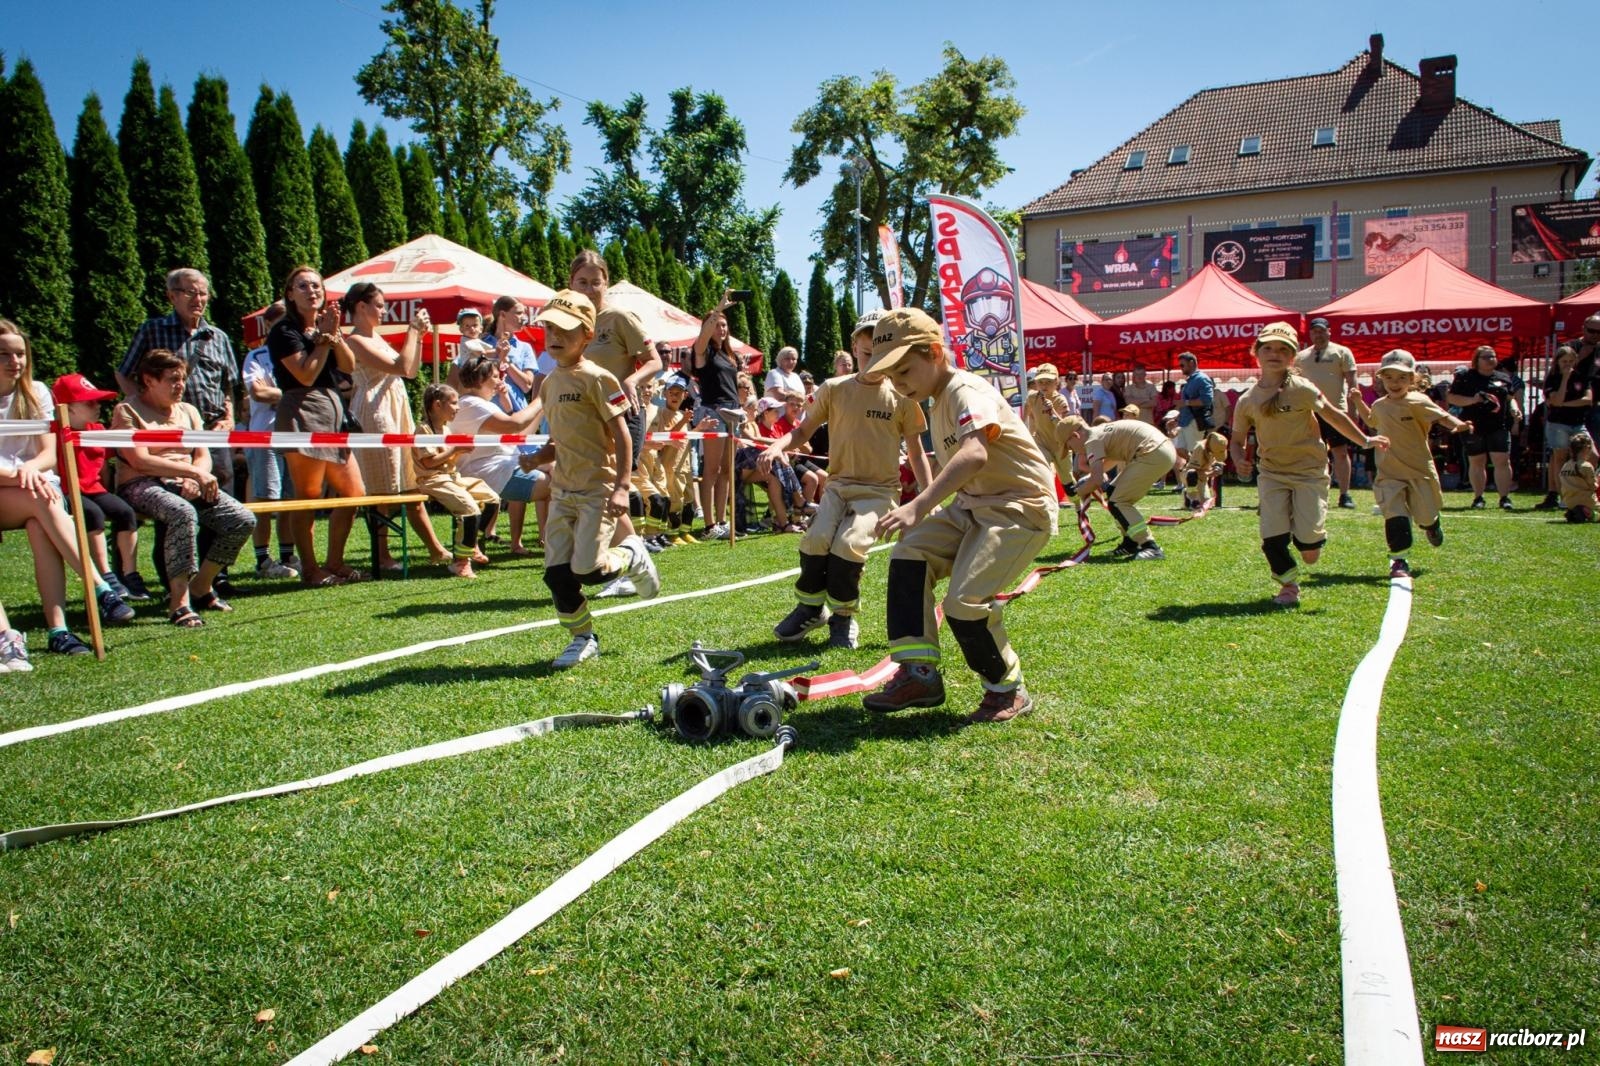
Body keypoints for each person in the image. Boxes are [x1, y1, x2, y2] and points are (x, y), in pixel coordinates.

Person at [861, 308, 1058, 724]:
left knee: (964, 603)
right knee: (909, 555)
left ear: (935, 352)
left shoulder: (967, 390)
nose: (898, 384)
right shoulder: (933, 399)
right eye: (892, 377)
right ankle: (920, 675)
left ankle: (1007, 690)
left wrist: (918, 504)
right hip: (973, 506)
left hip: (1018, 509)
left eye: (905, 372)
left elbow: (974, 453)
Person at [762, 321, 931, 649]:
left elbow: (916, 451)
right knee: (816, 539)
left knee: (849, 543)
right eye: (868, 353)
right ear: (854, 349)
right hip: (838, 487)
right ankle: (811, 608)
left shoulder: (901, 394)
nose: (875, 360)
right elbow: (803, 431)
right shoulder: (834, 388)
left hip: (879, 492)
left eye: (882, 353)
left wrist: (929, 495)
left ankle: (843, 618)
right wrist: (777, 445)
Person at [529, 291, 660, 669]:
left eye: (565, 330)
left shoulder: (599, 379)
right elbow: (566, 439)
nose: (554, 336)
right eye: (549, 327)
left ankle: (632, 554)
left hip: (596, 491)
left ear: (587, 335)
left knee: (587, 570)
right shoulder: (549, 383)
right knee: (556, 576)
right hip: (562, 492)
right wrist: (540, 456)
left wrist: (621, 486)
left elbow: (620, 436)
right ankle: (583, 638)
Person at [1229, 322, 1388, 607]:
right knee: (1272, 538)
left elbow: (1334, 415)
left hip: (1310, 473)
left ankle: (1306, 535)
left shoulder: (1302, 388)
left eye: (1282, 349)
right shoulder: (1247, 399)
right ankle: (1288, 586)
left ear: (1292, 357)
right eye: (1267, 348)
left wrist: (1364, 439)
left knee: (1309, 550)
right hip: (1272, 474)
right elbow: (1237, 440)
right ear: (1256, 352)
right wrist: (1240, 460)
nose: (1274, 353)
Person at [0, 318, 133, 652]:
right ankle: (99, 586)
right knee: (41, 501)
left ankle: (58, 631)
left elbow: (48, 455)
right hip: (15, 491)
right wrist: (22, 475)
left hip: (36, 488)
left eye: (20, 354)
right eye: (4, 355)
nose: (15, 362)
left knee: (40, 519)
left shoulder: (37, 393)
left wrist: (30, 468)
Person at [113, 348, 256, 626]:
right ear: (149, 380)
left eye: (182, 379)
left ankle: (201, 586)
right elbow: (139, 460)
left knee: (242, 519)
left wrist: (194, 476)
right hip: (141, 483)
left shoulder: (188, 411)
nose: (180, 386)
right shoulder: (127, 410)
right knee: (182, 513)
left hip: (186, 481)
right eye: (172, 379)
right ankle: (178, 603)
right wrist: (190, 472)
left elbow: (202, 455)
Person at [268, 266, 369, 586]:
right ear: (290, 294)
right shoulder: (284, 331)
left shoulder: (327, 326)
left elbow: (349, 367)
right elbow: (306, 375)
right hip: (301, 412)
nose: (312, 291)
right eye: (303, 286)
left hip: (332, 413)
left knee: (354, 494)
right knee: (309, 495)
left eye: (316, 286)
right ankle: (310, 569)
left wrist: (334, 336)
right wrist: (323, 339)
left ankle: (334, 561)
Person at [342, 282, 451, 570]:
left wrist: (419, 336)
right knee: (383, 488)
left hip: (395, 409)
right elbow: (401, 367)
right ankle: (383, 554)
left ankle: (436, 549)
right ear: (361, 307)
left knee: (408, 481)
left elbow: (411, 370)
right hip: (375, 413)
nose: (384, 310)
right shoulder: (355, 341)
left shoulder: (377, 337)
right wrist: (412, 331)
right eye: (379, 305)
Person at [570, 250, 664, 582]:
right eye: (582, 282)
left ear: (606, 283)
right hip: (584, 420)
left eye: (596, 282)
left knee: (607, 489)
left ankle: (626, 565)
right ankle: (635, 558)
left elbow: (655, 361)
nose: (589, 289)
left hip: (622, 415)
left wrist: (632, 380)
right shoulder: (571, 325)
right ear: (570, 283)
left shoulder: (619, 318)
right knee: (596, 489)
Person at [1362, 349, 1472, 578]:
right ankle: (1399, 560)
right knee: (1394, 513)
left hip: (1419, 469)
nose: (1395, 382)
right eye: (1389, 377)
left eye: (1402, 377)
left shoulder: (1419, 401)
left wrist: (1458, 425)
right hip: (1389, 470)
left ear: (1412, 379)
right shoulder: (1380, 405)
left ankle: (1431, 525)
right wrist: (1356, 402)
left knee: (1425, 514)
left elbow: (1442, 416)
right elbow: (1371, 421)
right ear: (1381, 378)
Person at [52, 373, 144, 600]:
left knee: (124, 512)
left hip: (93, 489)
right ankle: (106, 575)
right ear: (68, 408)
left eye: (97, 401)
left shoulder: (98, 430)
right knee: (93, 514)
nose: (97, 406)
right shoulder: (52, 432)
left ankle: (129, 575)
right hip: (65, 491)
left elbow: (105, 465)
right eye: (89, 402)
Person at [1060, 414, 1177, 560]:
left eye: (1069, 446)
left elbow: (1097, 480)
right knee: (1113, 492)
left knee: (1118, 501)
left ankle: (1150, 547)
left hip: (1152, 453)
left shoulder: (1092, 440)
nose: (1074, 451)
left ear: (1075, 435)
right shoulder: (1099, 433)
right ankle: (1130, 543)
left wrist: (1076, 494)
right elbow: (1105, 468)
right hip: (1159, 450)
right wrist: (1086, 483)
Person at [414, 384, 500, 578]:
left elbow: (447, 460)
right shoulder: (424, 429)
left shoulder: (446, 429)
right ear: (437, 405)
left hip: (452, 477)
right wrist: (454, 450)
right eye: (453, 403)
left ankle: (473, 543)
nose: (458, 408)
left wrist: (459, 450)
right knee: (470, 509)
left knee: (492, 498)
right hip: (432, 480)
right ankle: (461, 562)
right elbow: (428, 463)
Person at [240, 300, 299, 579]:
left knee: (289, 500)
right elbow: (258, 393)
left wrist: (285, 395)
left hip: (294, 434)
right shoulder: (257, 356)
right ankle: (263, 560)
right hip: (265, 436)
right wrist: (291, 395)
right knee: (266, 500)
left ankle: (288, 555)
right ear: (269, 326)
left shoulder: (297, 352)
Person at [691, 294, 742, 539]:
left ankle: (722, 521)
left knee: (726, 470)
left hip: (734, 412)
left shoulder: (729, 355)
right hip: (713, 410)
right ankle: (709, 524)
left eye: (724, 325)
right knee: (711, 468)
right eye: (716, 324)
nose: (721, 329)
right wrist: (718, 308)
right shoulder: (703, 353)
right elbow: (701, 341)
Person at [1295, 317, 1360, 509]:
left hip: (1336, 411)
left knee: (1340, 452)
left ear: (1329, 331)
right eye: (1315, 331)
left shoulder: (1342, 352)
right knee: (1312, 453)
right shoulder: (1301, 356)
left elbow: (1353, 383)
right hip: (1309, 412)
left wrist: (1353, 410)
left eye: (1322, 331)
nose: (1318, 334)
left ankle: (1345, 494)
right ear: (1310, 334)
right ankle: (1313, 492)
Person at [1446, 346, 1521, 510]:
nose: (1491, 360)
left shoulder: (1503, 377)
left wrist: (1515, 408)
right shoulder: (1465, 377)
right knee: (1477, 461)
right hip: (1473, 425)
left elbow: (1510, 397)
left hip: (1499, 425)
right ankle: (1478, 497)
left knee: (1502, 460)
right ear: (1476, 360)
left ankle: (1504, 498)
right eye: (1486, 357)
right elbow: (1452, 398)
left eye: (1493, 356)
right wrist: (1472, 400)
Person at [1535, 346, 1593, 510]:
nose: (1567, 364)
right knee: (1559, 456)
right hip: (1558, 423)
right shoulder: (1552, 378)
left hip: (1578, 422)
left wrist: (1565, 404)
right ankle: (1562, 496)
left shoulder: (1582, 377)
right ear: (1557, 362)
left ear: (1575, 360)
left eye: (1570, 361)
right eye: (1564, 361)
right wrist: (1565, 379)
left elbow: (1588, 400)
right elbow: (1556, 399)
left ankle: (1583, 490)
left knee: (1592, 454)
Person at [1558, 432, 1597, 523]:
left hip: (1569, 501)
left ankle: (1574, 512)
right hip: (1585, 500)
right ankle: (1588, 512)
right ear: (1586, 449)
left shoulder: (1566, 465)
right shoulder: (1586, 466)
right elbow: (1593, 486)